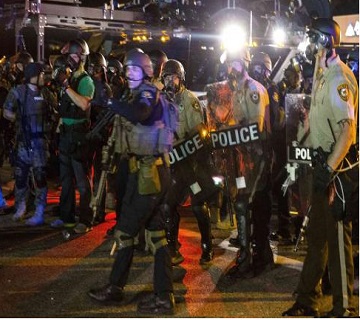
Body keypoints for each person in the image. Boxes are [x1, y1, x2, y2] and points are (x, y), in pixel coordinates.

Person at [88, 49, 177, 315]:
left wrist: (112, 103)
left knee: (125, 232)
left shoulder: (148, 93)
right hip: (149, 173)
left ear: (147, 71)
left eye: (134, 69)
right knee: (158, 237)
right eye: (127, 69)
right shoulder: (132, 94)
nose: (129, 73)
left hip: (149, 175)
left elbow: (140, 114)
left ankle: (115, 288)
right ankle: (164, 296)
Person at [282, 17, 358, 318]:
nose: (308, 44)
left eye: (312, 38)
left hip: (337, 170)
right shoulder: (322, 73)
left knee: (338, 239)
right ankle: (307, 299)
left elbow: (348, 131)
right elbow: (317, 123)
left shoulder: (338, 77)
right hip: (323, 164)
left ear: (325, 41)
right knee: (316, 238)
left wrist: (327, 168)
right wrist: (301, 144)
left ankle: (343, 308)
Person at [212, 46, 273, 279]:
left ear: (244, 64)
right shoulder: (231, 92)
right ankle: (258, 256)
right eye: (229, 64)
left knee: (246, 204)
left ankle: (248, 258)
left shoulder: (253, 89)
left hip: (256, 157)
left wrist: (229, 130)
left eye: (235, 63)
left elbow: (254, 128)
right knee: (245, 204)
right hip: (239, 157)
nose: (231, 68)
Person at [161, 59, 219, 265]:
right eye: (167, 77)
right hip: (174, 165)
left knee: (197, 205)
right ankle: (172, 248)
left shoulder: (190, 101)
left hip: (192, 164)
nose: (170, 81)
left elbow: (198, 133)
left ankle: (207, 246)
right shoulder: (161, 101)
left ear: (181, 78)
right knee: (168, 205)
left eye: (174, 77)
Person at [50, 39, 95, 234]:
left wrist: (66, 86)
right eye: (71, 56)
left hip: (79, 136)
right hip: (66, 135)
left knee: (83, 182)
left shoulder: (85, 80)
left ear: (83, 57)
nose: (73, 59)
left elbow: (84, 104)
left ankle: (86, 219)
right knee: (66, 180)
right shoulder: (66, 79)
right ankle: (66, 217)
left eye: (76, 55)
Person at [3, 62, 53, 226]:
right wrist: (19, 119)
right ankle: (21, 207)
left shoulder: (45, 93)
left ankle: (39, 210)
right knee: (21, 177)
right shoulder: (18, 92)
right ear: (35, 75)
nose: (44, 77)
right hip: (24, 142)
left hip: (40, 142)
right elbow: (7, 111)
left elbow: (53, 113)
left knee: (40, 177)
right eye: (41, 74)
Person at [86, 51, 113, 224]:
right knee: (87, 175)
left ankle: (99, 211)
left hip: (101, 136)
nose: (94, 71)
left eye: (96, 68)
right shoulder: (87, 84)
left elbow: (107, 115)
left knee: (100, 177)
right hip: (89, 133)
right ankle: (89, 209)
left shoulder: (105, 89)